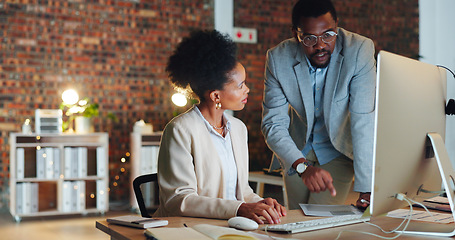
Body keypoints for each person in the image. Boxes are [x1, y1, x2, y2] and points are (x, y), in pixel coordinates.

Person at [153, 29, 286, 224]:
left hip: (230, 225)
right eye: (240, 85)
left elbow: (242, 192)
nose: (247, 89)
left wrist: (262, 204)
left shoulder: (238, 129)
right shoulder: (180, 130)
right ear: (216, 96)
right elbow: (179, 201)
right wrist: (239, 208)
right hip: (190, 229)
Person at [261, 0, 376, 210]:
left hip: (337, 150)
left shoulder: (359, 51)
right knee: (297, 221)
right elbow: (273, 124)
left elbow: (363, 119)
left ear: (337, 26)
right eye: (309, 38)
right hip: (296, 151)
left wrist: (367, 187)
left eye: (328, 35)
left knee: (321, 220)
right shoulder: (278, 59)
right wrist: (302, 166)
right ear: (296, 33)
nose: (320, 45)